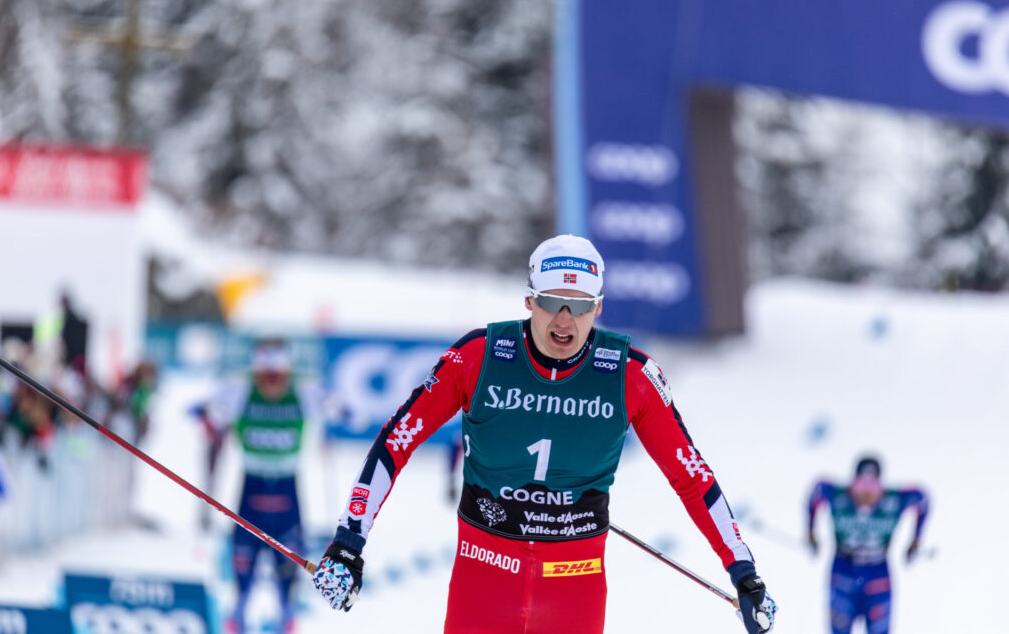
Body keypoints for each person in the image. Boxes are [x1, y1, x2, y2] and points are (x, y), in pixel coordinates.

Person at [311, 234, 777, 633]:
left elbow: (692, 476)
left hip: (573, 587)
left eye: (579, 307)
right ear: (529, 300)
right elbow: (397, 440)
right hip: (484, 578)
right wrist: (349, 541)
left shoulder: (630, 376)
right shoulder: (479, 356)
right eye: (552, 303)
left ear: (598, 308)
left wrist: (744, 571)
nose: (564, 320)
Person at [202, 338, 326, 634]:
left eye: (277, 377)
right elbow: (206, 410)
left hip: (287, 485)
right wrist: (210, 417)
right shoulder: (241, 389)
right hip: (252, 483)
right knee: (244, 555)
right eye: (266, 377)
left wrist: (336, 412)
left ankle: (286, 614)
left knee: (289, 556)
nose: (271, 384)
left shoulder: (302, 391)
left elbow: (339, 408)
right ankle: (239, 613)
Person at [807, 455, 929, 634]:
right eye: (861, 487)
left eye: (872, 488)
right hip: (843, 570)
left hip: (878, 572)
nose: (866, 494)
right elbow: (816, 491)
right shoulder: (837, 495)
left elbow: (922, 499)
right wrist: (810, 531)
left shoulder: (894, 500)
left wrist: (916, 540)